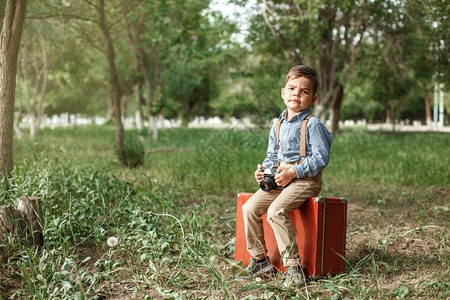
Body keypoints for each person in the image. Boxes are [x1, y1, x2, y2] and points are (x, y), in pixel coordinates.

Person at [242, 65, 332, 286]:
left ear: (313, 98)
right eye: (292, 89)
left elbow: (320, 158)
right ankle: (261, 260)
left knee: (275, 211)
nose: (296, 94)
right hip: (281, 179)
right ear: (283, 92)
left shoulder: (312, 124)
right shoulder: (278, 125)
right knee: (249, 208)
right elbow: (272, 155)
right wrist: (264, 172)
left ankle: (293, 267)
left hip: (305, 180)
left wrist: (294, 171)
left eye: (304, 92)